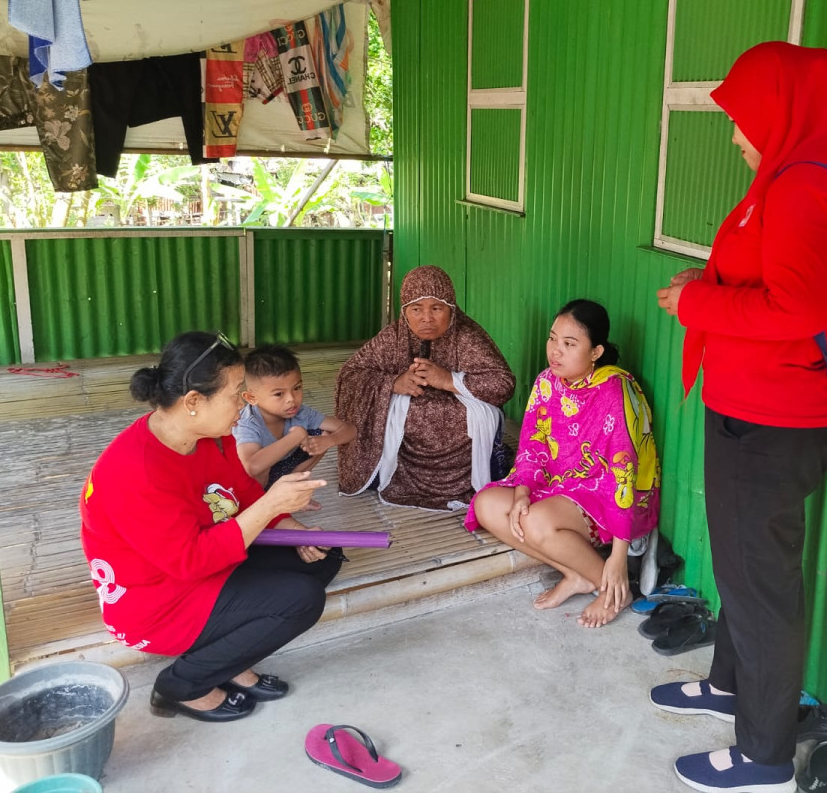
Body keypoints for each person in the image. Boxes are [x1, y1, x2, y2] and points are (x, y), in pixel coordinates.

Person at [651, 41, 827, 793]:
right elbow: (774, 282)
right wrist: (708, 282)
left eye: (743, 118)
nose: (735, 135)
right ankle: (728, 689)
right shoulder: (786, 180)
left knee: (760, 584)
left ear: (783, 111)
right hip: (751, 405)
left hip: (775, 419)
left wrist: (697, 301)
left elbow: (808, 306)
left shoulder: (803, 188)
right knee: (740, 567)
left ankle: (766, 755)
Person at [80, 331, 342, 723]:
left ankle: (228, 657)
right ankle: (183, 686)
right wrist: (274, 502)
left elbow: (244, 493)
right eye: (237, 393)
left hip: (204, 564)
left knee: (322, 556)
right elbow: (190, 561)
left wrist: (291, 524)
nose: (244, 403)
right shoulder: (136, 471)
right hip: (156, 600)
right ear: (193, 402)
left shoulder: (205, 438)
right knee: (301, 598)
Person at [466, 299, 660, 629]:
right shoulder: (547, 382)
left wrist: (618, 555)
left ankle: (612, 587)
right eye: (552, 339)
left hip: (606, 494)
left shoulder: (614, 391)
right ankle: (577, 574)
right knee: (487, 505)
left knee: (537, 522)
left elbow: (623, 473)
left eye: (569, 344)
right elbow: (531, 444)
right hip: (558, 485)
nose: (555, 351)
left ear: (596, 352)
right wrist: (523, 491)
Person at [335, 265, 516, 509]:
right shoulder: (394, 337)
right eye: (416, 309)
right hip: (403, 447)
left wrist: (449, 380)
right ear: (405, 311)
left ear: (451, 309)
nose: (426, 318)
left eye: (437, 308)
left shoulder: (467, 336)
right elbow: (350, 375)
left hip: (461, 442)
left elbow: (504, 384)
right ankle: (388, 472)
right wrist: (393, 383)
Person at [235, 344, 355, 489]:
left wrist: (329, 440)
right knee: (261, 466)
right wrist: (295, 437)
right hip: (246, 484)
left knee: (323, 434)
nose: (291, 399)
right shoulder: (247, 422)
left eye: (297, 388)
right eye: (279, 394)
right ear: (251, 398)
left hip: (281, 469)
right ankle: (267, 501)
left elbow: (349, 429)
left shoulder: (301, 412)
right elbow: (251, 467)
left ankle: (292, 488)